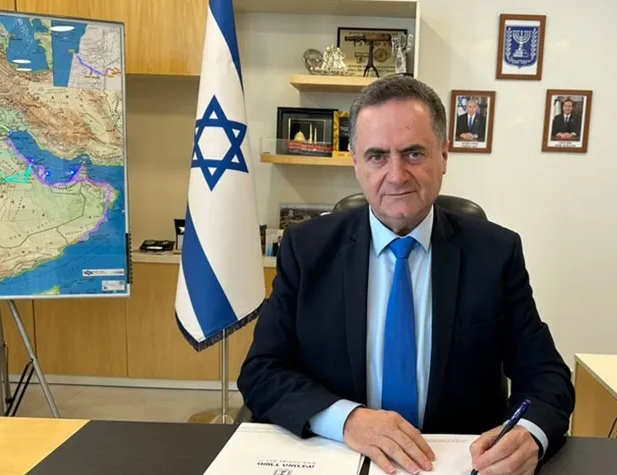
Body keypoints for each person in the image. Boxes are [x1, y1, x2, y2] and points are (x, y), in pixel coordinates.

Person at [238, 76, 575, 475]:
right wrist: (347, 419)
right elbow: (262, 371)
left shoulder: (495, 253)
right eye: (377, 156)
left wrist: (529, 434)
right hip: (341, 458)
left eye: (413, 153)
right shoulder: (307, 250)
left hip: (458, 465)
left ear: (444, 156)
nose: (396, 175)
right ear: (356, 163)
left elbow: (546, 375)